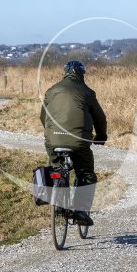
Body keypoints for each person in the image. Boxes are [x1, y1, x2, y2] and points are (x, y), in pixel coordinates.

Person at [40, 60, 107, 226]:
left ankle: (56, 190)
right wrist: (100, 136)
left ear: (65, 72)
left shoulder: (51, 90)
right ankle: (81, 211)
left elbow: (43, 116)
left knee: (55, 168)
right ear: (82, 73)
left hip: (53, 140)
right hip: (78, 143)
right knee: (87, 174)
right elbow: (100, 118)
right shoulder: (87, 92)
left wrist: (51, 132)